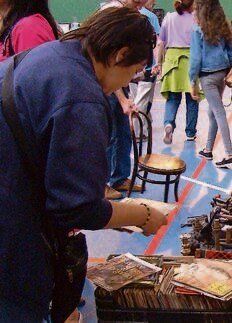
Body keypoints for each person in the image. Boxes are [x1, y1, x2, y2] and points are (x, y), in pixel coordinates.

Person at [0, 7, 167, 321]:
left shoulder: (52, 54)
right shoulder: (81, 97)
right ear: (121, 54)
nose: (130, 79)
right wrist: (142, 214)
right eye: (135, 69)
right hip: (13, 238)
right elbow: (77, 207)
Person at [100, 0, 147, 200]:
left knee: (123, 132)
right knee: (107, 135)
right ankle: (100, 185)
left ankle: (119, 178)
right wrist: (122, 99)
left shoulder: (126, 14)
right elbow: (110, 63)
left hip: (117, 84)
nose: (138, 8)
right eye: (137, 4)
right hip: (107, 86)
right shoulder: (113, 13)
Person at [189, 0, 232, 168]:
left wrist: (192, 81)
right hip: (222, 73)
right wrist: (231, 71)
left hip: (207, 76)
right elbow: (231, 52)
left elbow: (195, 59)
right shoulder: (223, 27)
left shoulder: (197, 30)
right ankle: (208, 149)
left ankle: (229, 154)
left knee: (218, 112)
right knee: (212, 112)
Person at [155, 0, 199, 144]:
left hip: (172, 60)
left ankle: (168, 123)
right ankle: (190, 132)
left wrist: (158, 63)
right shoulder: (196, 18)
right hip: (191, 59)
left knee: (172, 98)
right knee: (192, 99)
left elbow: (161, 42)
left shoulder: (168, 17)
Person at [129, 0, 161, 138]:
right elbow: (158, 42)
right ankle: (136, 133)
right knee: (141, 102)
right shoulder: (150, 17)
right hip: (146, 68)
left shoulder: (126, 15)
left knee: (139, 99)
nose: (154, 3)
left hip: (130, 70)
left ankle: (145, 129)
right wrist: (157, 63)